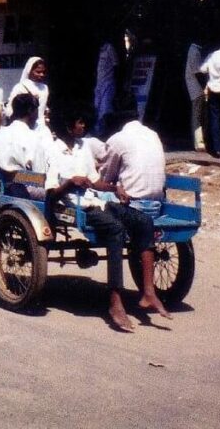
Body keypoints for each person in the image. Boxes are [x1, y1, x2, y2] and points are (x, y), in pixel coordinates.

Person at [46, 108, 170, 331]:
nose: (83, 127)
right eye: (80, 122)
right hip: (73, 205)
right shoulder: (53, 151)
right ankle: (115, 301)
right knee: (115, 230)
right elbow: (51, 193)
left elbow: (95, 182)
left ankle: (149, 292)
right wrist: (70, 182)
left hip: (98, 201)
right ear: (67, 126)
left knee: (143, 221)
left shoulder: (83, 147)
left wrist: (115, 188)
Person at [0, 93, 51, 193]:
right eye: (37, 111)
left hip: (1, 184)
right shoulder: (33, 138)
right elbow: (39, 174)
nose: (37, 116)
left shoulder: (0, 133)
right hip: (22, 189)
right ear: (30, 111)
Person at [6, 55, 50, 124]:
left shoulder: (44, 87)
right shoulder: (20, 87)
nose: (42, 75)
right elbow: (10, 108)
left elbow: (43, 106)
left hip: (41, 125)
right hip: (25, 125)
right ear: (29, 71)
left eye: (43, 72)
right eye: (38, 72)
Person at [92, 40, 120, 135]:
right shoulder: (99, 51)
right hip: (99, 84)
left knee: (105, 109)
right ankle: (98, 131)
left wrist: (114, 81)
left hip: (108, 83)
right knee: (96, 108)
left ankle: (104, 133)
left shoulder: (109, 48)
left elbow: (116, 65)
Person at [182, 41, 205, 152]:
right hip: (196, 88)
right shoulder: (194, 51)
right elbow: (197, 72)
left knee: (198, 115)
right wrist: (205, 87)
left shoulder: (194, 50)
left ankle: (200, 141)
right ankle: (199, 143)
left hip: (196, 88)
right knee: (197, 115)